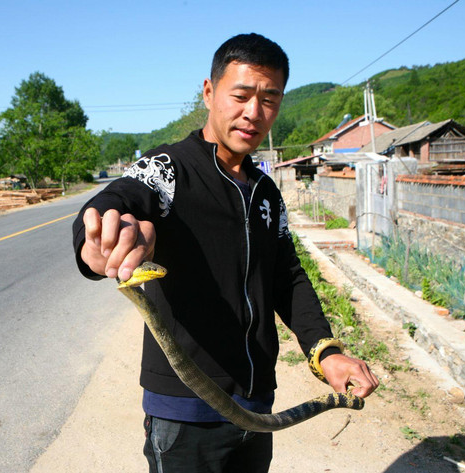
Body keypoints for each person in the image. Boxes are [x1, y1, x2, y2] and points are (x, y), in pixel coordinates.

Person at [72, 33, 378, 473]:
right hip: (184, 413)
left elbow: (287, 278)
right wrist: (99, 238)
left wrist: (325, 350)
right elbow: (115, 200)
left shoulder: (267, 192)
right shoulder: (168, 169)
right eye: (241, 95)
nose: (254, 113)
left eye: (270, 99)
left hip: (256, 408)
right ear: (209, 92)